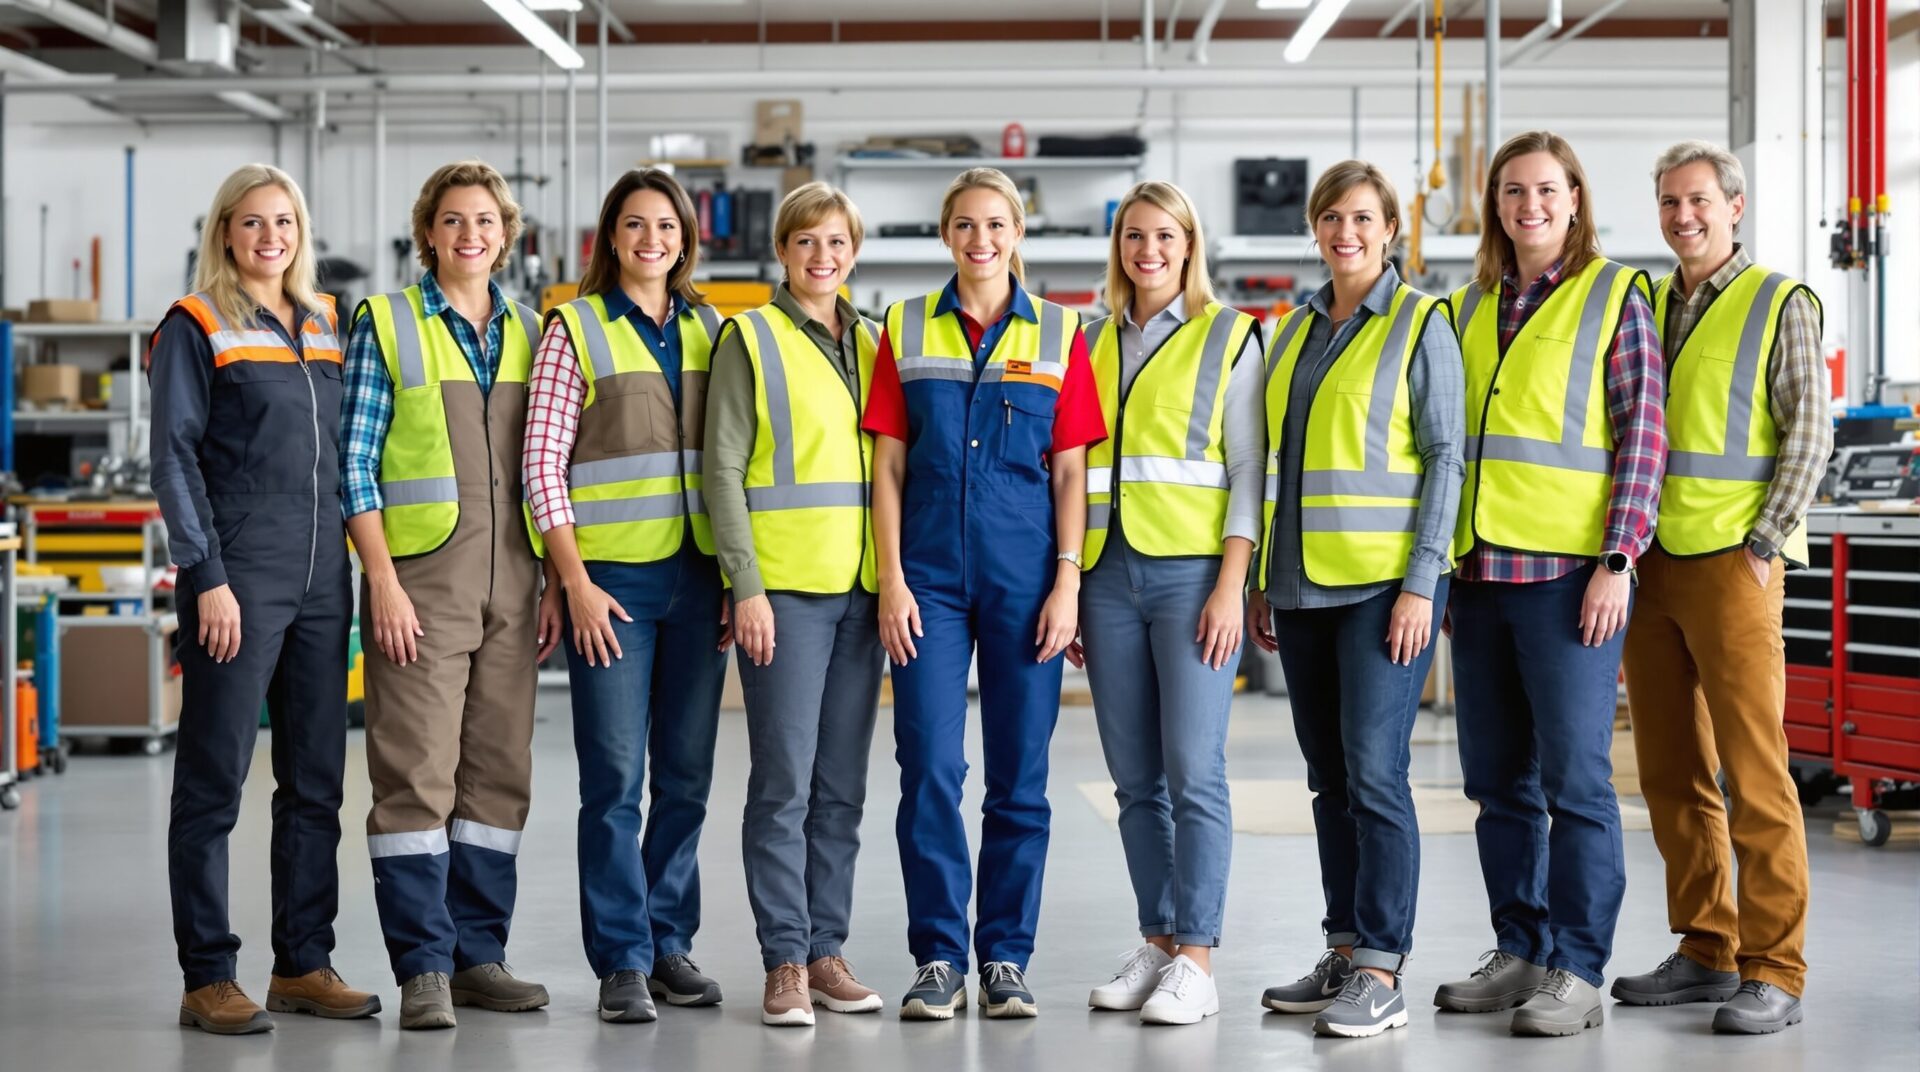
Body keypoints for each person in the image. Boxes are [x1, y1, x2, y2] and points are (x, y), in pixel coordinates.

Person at [1430, 130, 1665, 1038]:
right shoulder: (1467, 308)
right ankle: (1520, 946)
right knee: (1497, 782)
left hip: (1570, 577)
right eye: (1511, 191)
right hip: (1481, 574)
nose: (1528, 205)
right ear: (1495, 204)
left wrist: (1618, 559)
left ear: (1575, 200)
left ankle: (1577, 966)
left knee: (1577, 783)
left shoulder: (1614, 295)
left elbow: (1643, 437)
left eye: (1546, 189)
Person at [865, 167, 1106, 1020]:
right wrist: (890, 578)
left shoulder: (1061, 332)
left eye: (996, 224)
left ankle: (1004, 955)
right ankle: (938, 956)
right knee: (928, 766)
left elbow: (1073, 470)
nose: (981, 240)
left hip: (1026, 576)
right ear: (945, 234)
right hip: (926, 577)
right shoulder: (902, 327)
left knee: (1020, 778)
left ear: (1018, 233)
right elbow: (887, 467)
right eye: (965, 225)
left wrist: (1068, 580)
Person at [151, 163, 378, 1035]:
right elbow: (173, 457)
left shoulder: (326, 322)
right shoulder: (197, 323)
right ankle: (207, 974)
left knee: (316, 780)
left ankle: (303, 963)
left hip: (326, 579)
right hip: (238, 577)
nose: (269, 236)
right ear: (225, 233)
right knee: (213, 783)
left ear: (300, 230)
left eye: (283, 221)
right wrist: (204, 575)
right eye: (251, 223)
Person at [1246, 161, 1465, 1039]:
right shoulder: (1293, 330)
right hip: (1301, 585)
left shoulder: (1421, 324)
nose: (1347, 231)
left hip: (1382, 588)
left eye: (1364, 217)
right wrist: (1264, 574)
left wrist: (1422, 583)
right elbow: (1274, 463)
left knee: (1376, 774)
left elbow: (1447, 457)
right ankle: (1342, 947)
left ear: (1389, 229)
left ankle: (1381, 966)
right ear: (1314, 227)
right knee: (1327, 777)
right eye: (1332, 216)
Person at [1612, 141, 1826, 1036]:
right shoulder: (1648, 303)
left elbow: (1809, 432)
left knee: (1754, 771)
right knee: (1669, 770)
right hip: (1651, 567)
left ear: (1734, 206)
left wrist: (1764, 544)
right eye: (1668, 202)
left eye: (1697, 200)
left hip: (1735, 566)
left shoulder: (1780, 300)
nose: (1682, 217)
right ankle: (1707, 946)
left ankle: (1774, 966)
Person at [340, 159, 549, 1030]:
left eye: (487, 222)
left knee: (497, 778)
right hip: (421, 584)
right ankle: (422, 964)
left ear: (507, 235)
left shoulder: (537, 331)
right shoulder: (386, 322)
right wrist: (380, 580)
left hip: (516, 584)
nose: (472, 236)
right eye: (455, 221)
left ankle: (479, 955)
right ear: (429, 231)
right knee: (414, 775)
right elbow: (354, 464)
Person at [522, 167, 731, 1023]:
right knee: (614, 779)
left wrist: (732, 578)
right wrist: (568, 581)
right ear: (611, 237)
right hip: (608, 586)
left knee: (685, 776)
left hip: (697, 579)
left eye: (667, 227)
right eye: (636, 226)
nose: (653, 240)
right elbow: (542, 465)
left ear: (686, 238)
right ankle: (620, 960)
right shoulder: (573, 329)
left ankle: (668, 941)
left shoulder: (713, 329)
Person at [1073, 180, 1261, 1026]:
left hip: (1192, 578)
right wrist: (1071, 582)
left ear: (1190, 246)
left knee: (1195, 771)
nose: (1147, 251)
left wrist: (1232, 583)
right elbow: (1070, 469)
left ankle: (1198, 956)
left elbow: (1250, 470)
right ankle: (1156, 939)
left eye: (1165, 237)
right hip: (1109, 576)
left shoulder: (1230, 337)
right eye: (1133, 237)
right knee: (1134, 779)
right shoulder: (1088, 340)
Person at [704, 181, 888, 1027]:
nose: (824, 258)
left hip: (862, 592)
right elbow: (723, 469)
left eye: (838, 244)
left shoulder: (878, 341)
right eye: (808, 242)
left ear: (854, 253)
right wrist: (747, 586)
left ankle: (825, 952)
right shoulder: (752, 336)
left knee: (841, 788)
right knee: (782, 785)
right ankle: (782, 959)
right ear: (783, 251)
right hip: (784, 593)